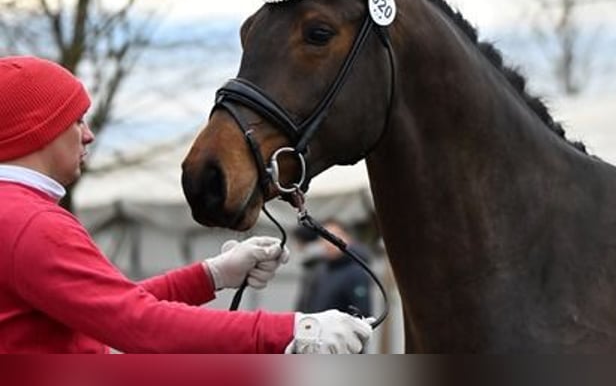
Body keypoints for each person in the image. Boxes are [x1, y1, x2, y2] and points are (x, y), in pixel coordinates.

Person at [0, 55, 372, 353]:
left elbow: (108, 307)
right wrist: (296, 328)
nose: (88, 135)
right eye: (76, 119)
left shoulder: (14, 214)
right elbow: (138, 325)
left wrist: (211, 275)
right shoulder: (33, 223)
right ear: (39, 128)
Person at [294, 219, 372, 319]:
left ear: (347, 238)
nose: (328, 243)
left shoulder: (356, 273)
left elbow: (363, 313)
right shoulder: (319, 270)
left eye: (334, 236)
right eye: (324, 238)